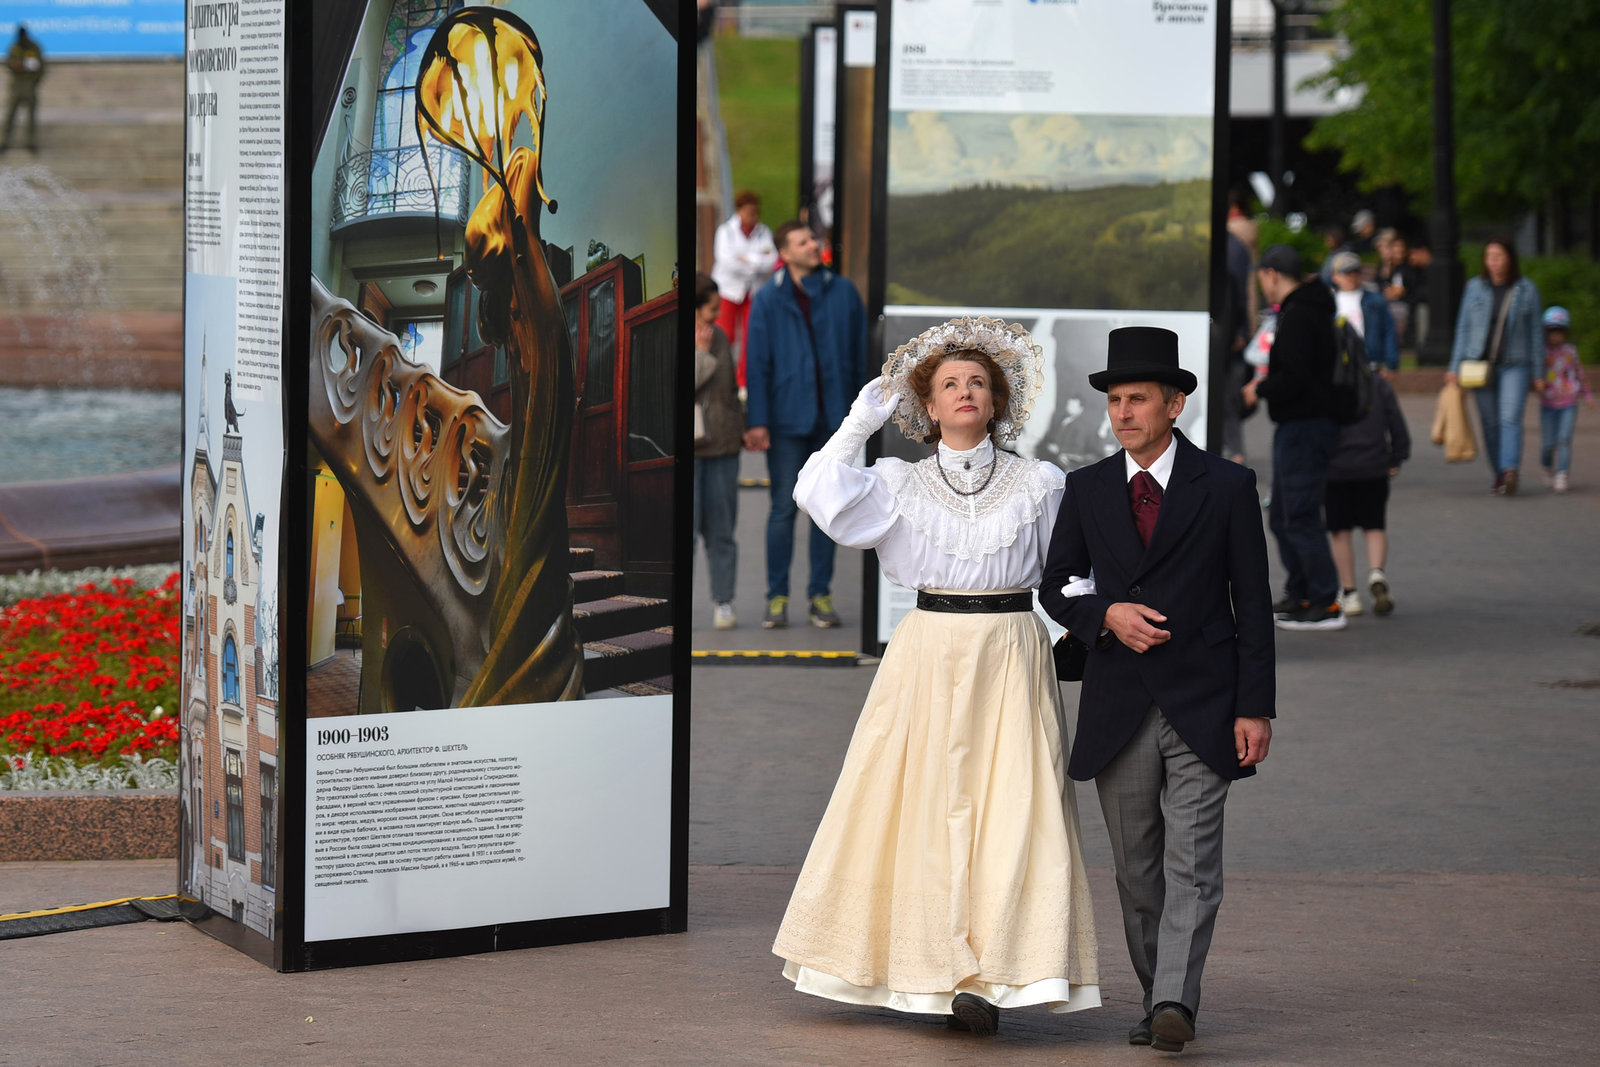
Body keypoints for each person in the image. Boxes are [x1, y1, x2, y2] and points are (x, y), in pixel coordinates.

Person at [773, 317, 1100, 1035]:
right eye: (950, 382)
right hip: (926, 648)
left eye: (978, 382)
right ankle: (927, 967)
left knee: (1017, 806)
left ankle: (996, 972)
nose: (965, 391)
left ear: (996, 400)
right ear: (927, 403)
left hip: (1013, 649)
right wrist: (860, 422)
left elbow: (1071, 573)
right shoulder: (899, 482)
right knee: (917, 803)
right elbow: (816, 492)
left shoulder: (1040, 483)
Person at [1040, 326, 1274, 1054]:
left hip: (1207, 701)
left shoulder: (1228, 486)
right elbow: (1056, 585)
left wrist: (1255, 705)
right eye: (1114, 400)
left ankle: (1175, 998)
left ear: (1176, 404)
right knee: (1138, 870)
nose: (1122, 412)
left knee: (1193, 863)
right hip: (1118, 704)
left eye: (1138, 398)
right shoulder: (1086, 487)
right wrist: (1103, 613)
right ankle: (1155, 995)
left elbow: (1254, 603)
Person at [744, 220, 866, 629]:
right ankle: (776, 597)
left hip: (834, 421)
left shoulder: (844, 292)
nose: (814, 245)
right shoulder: (766, 300)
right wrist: (757, 420)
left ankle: (820, 595)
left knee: (826, 511)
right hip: (785, 421)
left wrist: (860, 417)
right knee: (782, 509)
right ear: (786, 253)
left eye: (814, 238)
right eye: (803, 241)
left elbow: (860, 354)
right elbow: (756, 365)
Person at [1245, 244, 1347, 631]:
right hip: (1301, 426)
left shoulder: (1301, 314)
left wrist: (1261, 389)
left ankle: (1324, 600)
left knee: (1298, 514)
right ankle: (1301, 592)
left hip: (1305, 426)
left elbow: (1297, 376)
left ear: (1271, 274)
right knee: (1284, 514)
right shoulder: (1306, 309)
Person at [1446, 236, 1543, 495]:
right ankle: (1499, 474)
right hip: (1479, 365)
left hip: (1516, 364)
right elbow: (1463, 329)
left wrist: (1539, 372)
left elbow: (1536, 333)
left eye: (1499, 256)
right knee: (1489, 422)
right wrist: (1454, 367)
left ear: (1510, 258)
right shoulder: (1475, 288)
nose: (1494, 262)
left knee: (1509, 417)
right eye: (1490, 257)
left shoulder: (1526, 289)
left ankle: (1511, 469)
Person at [1326, 366, 1410, 617]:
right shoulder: (1378, 383)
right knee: (1374, 525)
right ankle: (1376, 572)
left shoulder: (1327, 382)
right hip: (1374, 465)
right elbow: (1395, 419)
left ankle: (1349, 592)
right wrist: (1397, 456)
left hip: (1335, 467)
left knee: (1340, 531)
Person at [693, 273, 743, 629]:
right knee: (689, 532)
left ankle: (723, 602)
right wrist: (702, 354)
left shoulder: (721, 336)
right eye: (711, 309)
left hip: (723, 448)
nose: (717, 314)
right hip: (692, 451)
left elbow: (728, 391)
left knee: (722, 532)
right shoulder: (700, 339)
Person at [710, 190, 778, 385]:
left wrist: (748, 260)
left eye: (755, 212)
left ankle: (743, 381)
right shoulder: (726, 231)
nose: (753, 217)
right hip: (728, 291)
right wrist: (758, 262)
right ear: (739, 211)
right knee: (725, 335)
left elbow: (772, 261)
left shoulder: (763, 231)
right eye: (749, 212)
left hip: (753, 292)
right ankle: (722, 379)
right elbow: (726, 261)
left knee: (751, 338)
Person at [1536, 306, 1594, 494]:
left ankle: (1562, 473)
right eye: (1552, 332)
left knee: (1564, 439)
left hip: (1569, 402)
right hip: (1548, 403)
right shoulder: (1542, 353)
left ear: (1565, 333)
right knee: (1548, 443)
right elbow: (1536, 375)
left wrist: (1587, 395)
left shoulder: (1570, 351)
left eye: (1559, 332)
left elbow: (1579, 373)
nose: (1555, 337)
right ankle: (1546, 466)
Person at [1329, 251, 1399, 376]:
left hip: (1369, 364)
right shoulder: (1328, 303)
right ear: (1334, 276)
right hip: (1338, 364)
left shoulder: (1375, 300)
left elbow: (1388, 330)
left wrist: (1391, 363)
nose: (1351, 277)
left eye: (1355, 272)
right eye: (1346, 273)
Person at [2, 25, 44, 154]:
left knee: (31, 117)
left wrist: (34, 82)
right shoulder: (14, 47)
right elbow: (8, 62)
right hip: (16, 86)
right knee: (10, 115)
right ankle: (4, 142)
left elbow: (41, 67)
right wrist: (15, 65)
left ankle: (30, 142)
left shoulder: (34, 47)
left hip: (29, 86)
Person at [1376, 231, 1418, 350]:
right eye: (1395, 247)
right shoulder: (1389, 266)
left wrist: (1400, 292)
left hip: (1404, 303)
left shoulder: (1408, 267)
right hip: (1389, 302)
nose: (1398, 250)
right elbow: (1381, 282)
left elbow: (1409, 287)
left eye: (1400, 247)